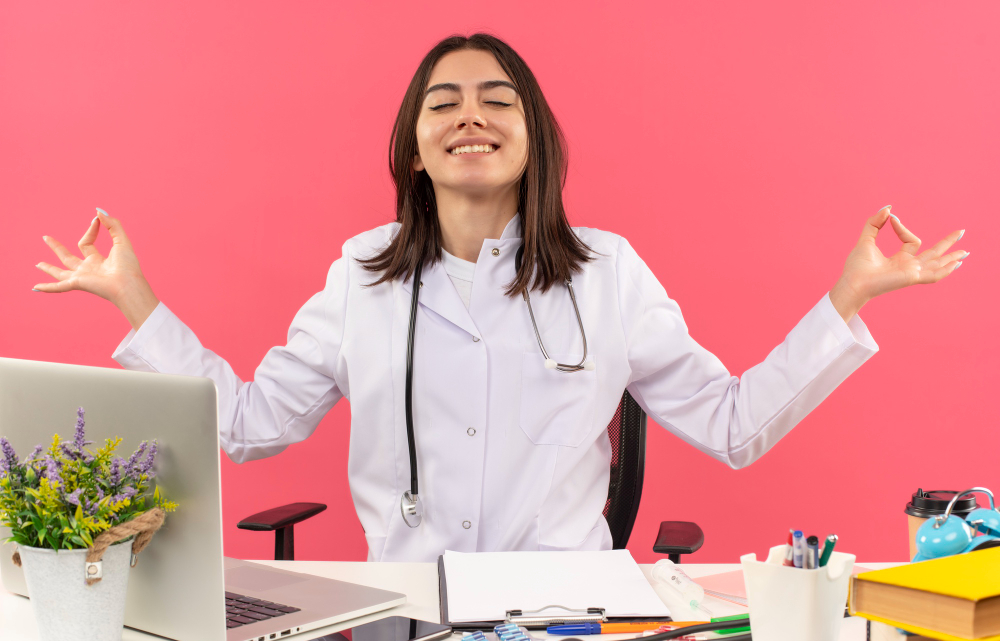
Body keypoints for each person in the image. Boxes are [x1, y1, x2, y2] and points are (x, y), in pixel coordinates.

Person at [32, 34, 967, 563]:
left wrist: (850, 300)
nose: (469, 114)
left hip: (569, 611)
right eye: (442, 102)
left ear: (534, 140)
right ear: (413, 146)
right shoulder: (360, 273)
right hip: (409, 610)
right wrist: (134, 299)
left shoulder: (609, 271)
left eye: (497, 100)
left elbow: (732, 426)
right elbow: (245, 424)